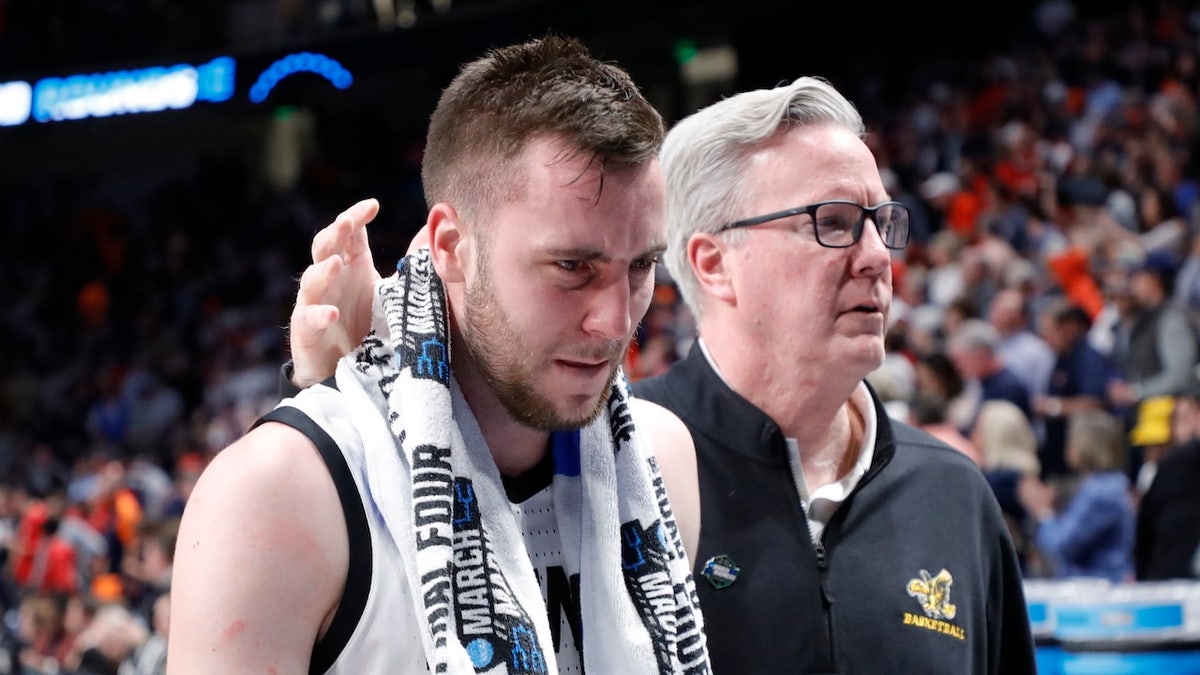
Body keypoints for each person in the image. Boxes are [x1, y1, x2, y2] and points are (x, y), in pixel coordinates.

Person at [288, 76, 1036, 673]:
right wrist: (342, 380)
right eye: (834, 221)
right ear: (713, 262)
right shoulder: (607, 464)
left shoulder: (952, 491)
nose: (877, 256)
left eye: (882, 222)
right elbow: (421, 570)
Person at [168, 36, 709, 674]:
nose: (617, 320)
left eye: (641, 266)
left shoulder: (660, 456)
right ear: (451, 246)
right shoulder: (276, 496)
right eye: (571, 266)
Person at [1018, 409, 1135, 582]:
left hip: (1097, 591)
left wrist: (1043, 512)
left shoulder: (1101, 492)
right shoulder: (1106, 485)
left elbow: (1062, 545)